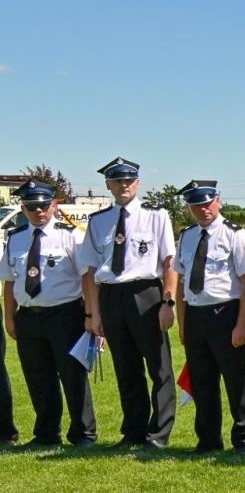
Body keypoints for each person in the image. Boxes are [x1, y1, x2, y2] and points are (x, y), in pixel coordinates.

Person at [80, 157, 179, 448]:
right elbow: (89, 270)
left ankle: (158, 434)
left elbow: (169, 261)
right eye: (117, 181)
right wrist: (93, 313)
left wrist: (168, 302)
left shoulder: (156, 215)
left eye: (129, 181)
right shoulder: (98, 221)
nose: (123, 185)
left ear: (137, 183)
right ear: (108, 185)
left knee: (159, 367)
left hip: (146, 293)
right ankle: (133, 431)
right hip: (111, 296)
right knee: (126, 367)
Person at [0, 180, 96, 447]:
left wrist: (90, 315)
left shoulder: (70, 235)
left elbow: (87, 277)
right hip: (29, 317)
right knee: (38, 377)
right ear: (23, 207)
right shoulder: (16, 238)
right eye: (32, 206)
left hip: (65, 315)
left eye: (43, 205)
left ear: (54, 205)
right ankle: (46, 434)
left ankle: (83, 434)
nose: (38, 211)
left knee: (73, 376)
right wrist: (10, 316)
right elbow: (9, 281)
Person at [174, 180, 245, 454]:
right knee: (202, 380)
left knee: (238, 380)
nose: (202, 209)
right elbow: (181, 283)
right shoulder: (187, 237)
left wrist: (242, 325)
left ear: (218, 201)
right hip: (196, 314)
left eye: (207, 202)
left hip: (225, 312)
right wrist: (183, 323)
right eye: (195, 204)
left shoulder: (235, 235)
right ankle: (208, 439)